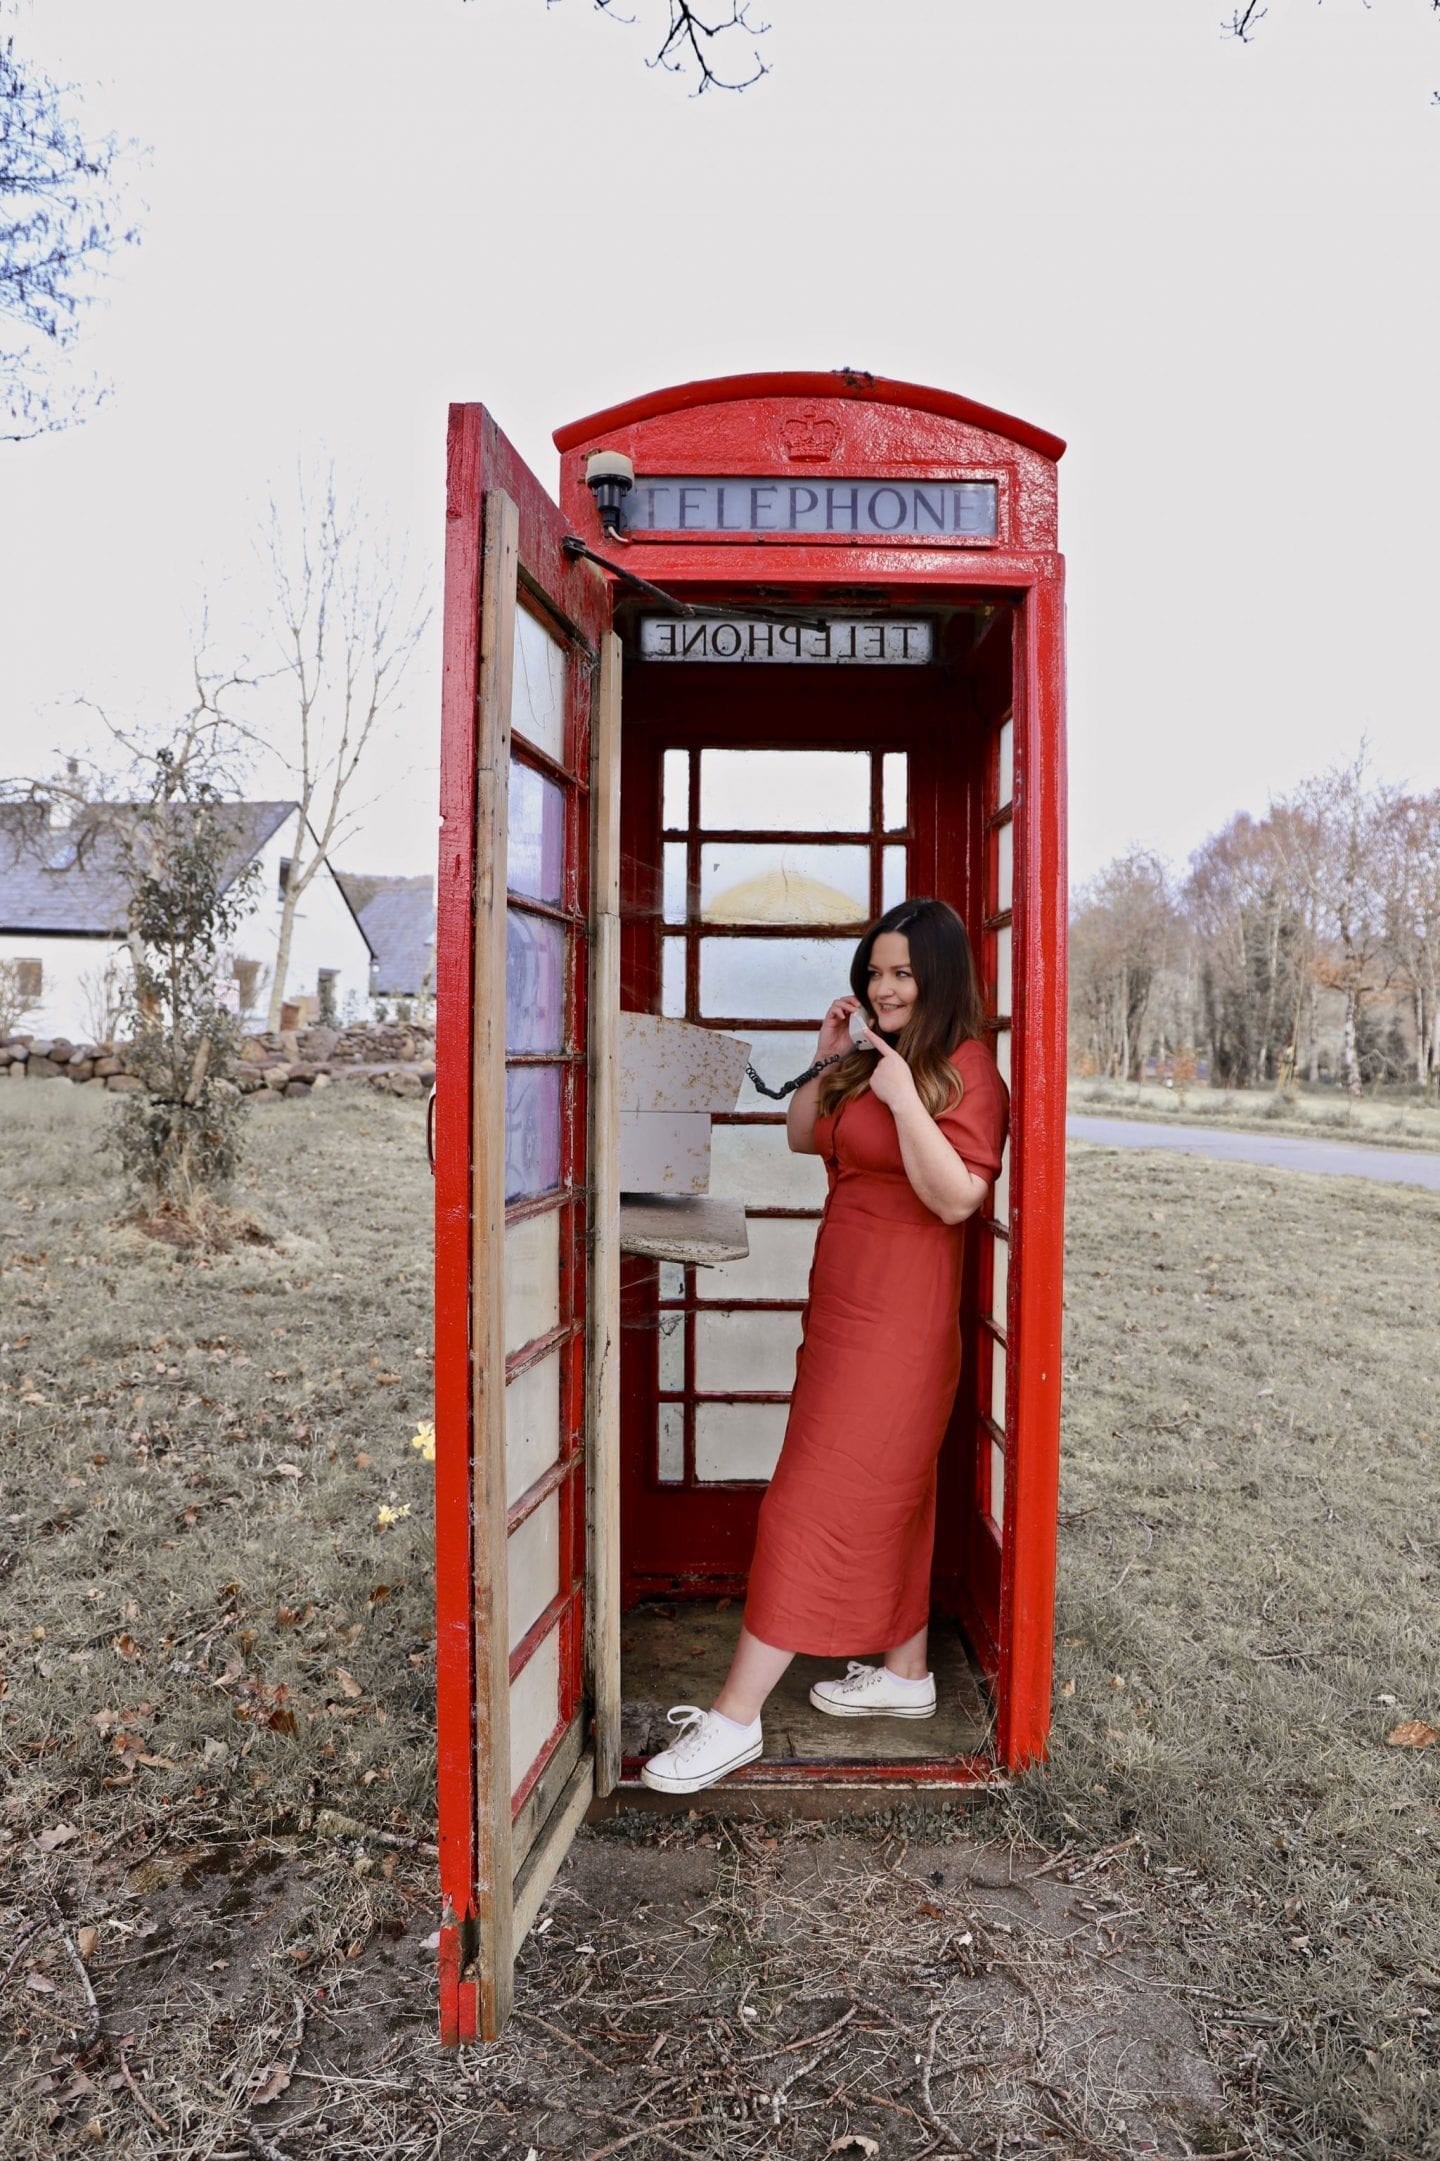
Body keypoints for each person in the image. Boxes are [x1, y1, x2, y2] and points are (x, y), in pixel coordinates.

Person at [641, 897, 1010, 1794]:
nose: (882, 987)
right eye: (874, 971)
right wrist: (825, 1056)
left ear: (940, 979)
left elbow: (958, 1196)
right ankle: (906, 1674)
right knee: (898, 1491)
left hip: (902, 1325)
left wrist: (899, 1099)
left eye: (901, 973)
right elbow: (804, 1133)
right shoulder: (877, 1058)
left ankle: (734, 1719)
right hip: (844, 1311)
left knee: (805, 1502)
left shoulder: (965, 1072)